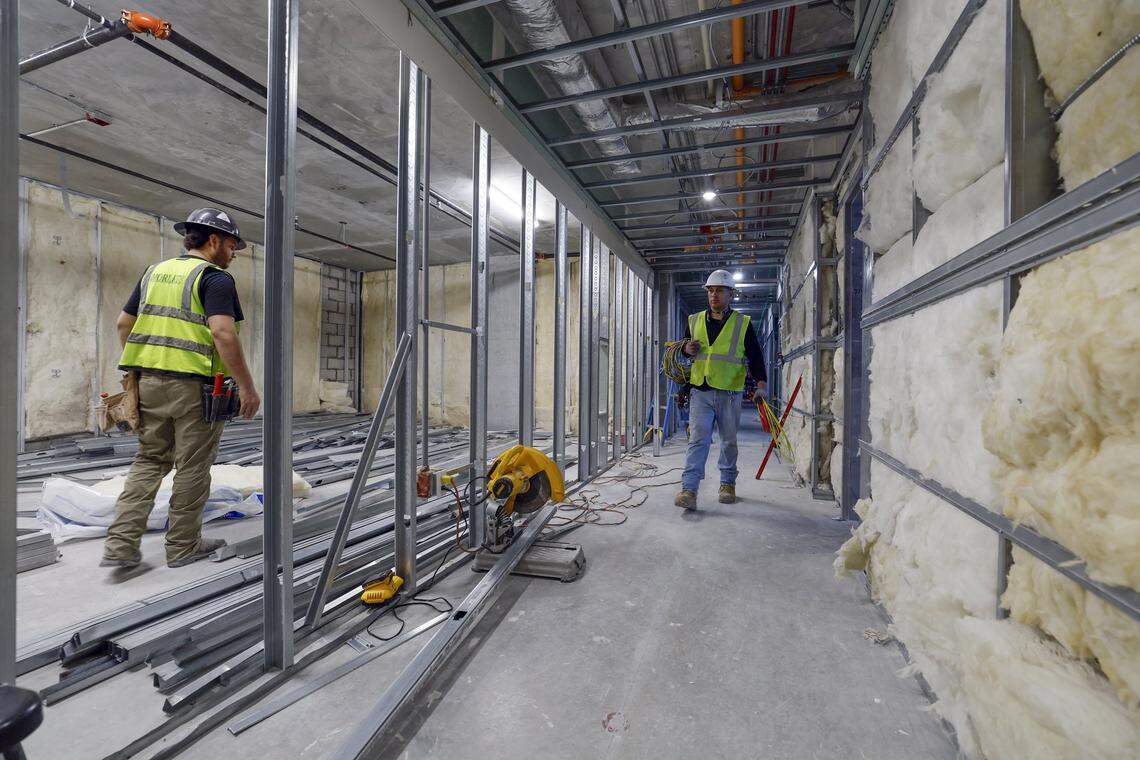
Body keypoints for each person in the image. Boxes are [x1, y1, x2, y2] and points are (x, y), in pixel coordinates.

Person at [101, 208, 261, 569]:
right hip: (194, 389)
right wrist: (247, 387)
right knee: (193, 466)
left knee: (149, 460)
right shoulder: (215, 279)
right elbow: (223, 333)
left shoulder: (153, 273)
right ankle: (182, 547)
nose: (234, 254)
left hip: (148, 383)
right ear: (214, 240)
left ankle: (120, 545)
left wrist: (141, 366)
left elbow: (123, 324)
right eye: (232, 246)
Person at [674, 269, 767, 510]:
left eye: (719, 291)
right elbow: (685, 351)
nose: (714, 295)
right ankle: (689, 489)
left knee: (728, 441)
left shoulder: (742, 324)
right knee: (697, 440)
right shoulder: (694, 320)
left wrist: (761, 386)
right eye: (711, 291)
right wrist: (686, 350)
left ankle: (727, 484)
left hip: (729, 392)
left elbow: (756, 356)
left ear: (730, 295)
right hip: (700, 391)